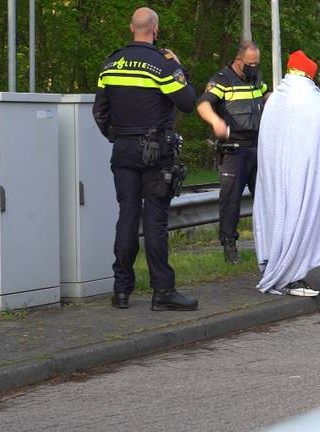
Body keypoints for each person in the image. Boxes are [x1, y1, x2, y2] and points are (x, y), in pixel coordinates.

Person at [92, 7, 198, 311]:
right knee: (154, 221)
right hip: (156, 152)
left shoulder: (110, 63)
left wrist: (118, 137)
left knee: (126, 217)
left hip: (123, 150)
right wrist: (180, 68)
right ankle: (162, 292)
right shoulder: (161, 65)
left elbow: (99, 112)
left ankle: (121, 290)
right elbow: (188, 102)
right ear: (155, 31)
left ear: (131, 28)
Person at [253, 50, 320, 297]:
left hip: (274, 174)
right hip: (301, 174)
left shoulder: (278, 96)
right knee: (298, 216)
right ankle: (291, 274)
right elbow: (318, 140)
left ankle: (274, 262)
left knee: (277, 214)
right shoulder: (309, 98)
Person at [197, 41, 268, 264]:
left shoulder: (255, 79)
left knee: (266, 201)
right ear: (239, 61)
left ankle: (267, 248)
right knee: (231, 202)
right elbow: (203, 105)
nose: (254, 67)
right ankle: (229, 246)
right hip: (234, 152)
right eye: (250, 63)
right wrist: (216, 121)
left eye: (257, 63)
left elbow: (265, 97)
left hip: (257, 148)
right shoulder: (222, 80)